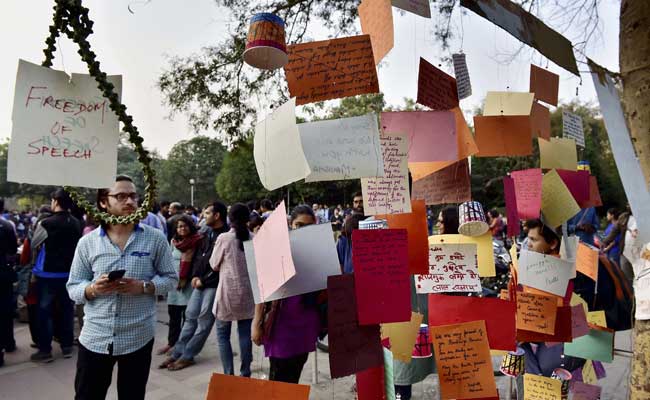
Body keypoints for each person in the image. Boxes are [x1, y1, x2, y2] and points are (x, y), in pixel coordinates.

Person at [66, 175, 178, 400]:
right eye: (121, 196)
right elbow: (73, 287)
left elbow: (171, 279)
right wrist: (93, 289)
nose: (130, 201)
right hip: (95, 337)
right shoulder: (88, 242)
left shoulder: (154, 239)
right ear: (103, 202)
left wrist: (144, 286)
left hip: (138, 337)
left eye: (133, 196)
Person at [252, 205, 324, 383]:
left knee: (294, 377)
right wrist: (256, 322)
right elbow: (264, 288)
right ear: (290, 224)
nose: (303, 230)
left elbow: (327, 288)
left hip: (306, 324)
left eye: (308, 226)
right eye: (299, 225)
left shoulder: (320, 251)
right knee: (278, 380)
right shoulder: (276, 248)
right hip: (280, 325)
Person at [160, 201, 229, 371]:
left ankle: (188, 355)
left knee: (204, 322)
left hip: (213, 285)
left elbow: (222, 266)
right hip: (199, 283)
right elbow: (200, 258)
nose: (202, 217)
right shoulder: (206, 233)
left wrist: (203, 280)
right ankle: (177, 352)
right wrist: (196, 276)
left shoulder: (226, 236)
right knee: (190, 317)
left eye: (206, 213)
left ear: (217, 215)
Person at [29, 189, 83, 363]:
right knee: (66, 310)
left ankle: (45, 350)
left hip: (47, 273)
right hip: (69, 273)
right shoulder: (76, 223)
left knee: (44, 312)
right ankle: (67, 346)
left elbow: (34, 244)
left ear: (56, 201)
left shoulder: (45, 223)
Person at [210, 203, 254, 377]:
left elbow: (214, 264)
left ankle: (229, 375)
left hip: (227, 294)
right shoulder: (253, 237)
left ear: (230, 218)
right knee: (245, 335)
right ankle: (246, 373)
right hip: (248, 293)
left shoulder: (224, 239)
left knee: (222, 336)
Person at [157, 215, 202, 356]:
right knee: (174, 315)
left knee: (188, 317)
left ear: (191, 226)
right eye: (179, 226)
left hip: (189, 283)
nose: (182, 229)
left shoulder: (197, 241)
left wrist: (186, 278)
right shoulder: (174, 241)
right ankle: (171, 343)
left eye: (185, 225)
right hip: (174, 284)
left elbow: (199, 262)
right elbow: (170, 260)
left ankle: (184, 346)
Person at [0, 199, 18, 367]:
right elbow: (13, 249)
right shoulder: (7, 225)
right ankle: (9, 342)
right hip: (4, 273)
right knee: (5, 310)